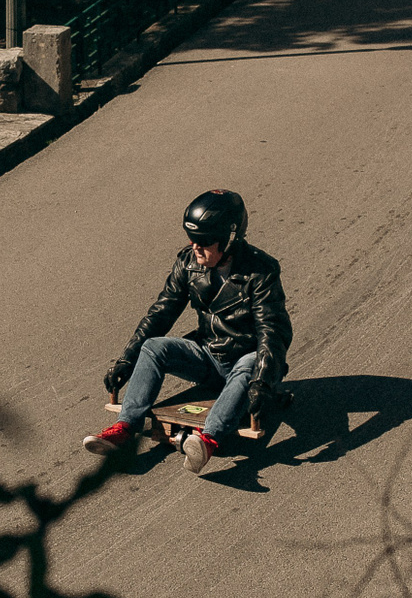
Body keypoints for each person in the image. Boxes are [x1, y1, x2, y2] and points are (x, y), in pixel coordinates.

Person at [84, 189, 292, 473]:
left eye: (204, 241)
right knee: (154, 347)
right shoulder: (188, 263)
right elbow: (161, 313)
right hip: (208, 356)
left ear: (229, 239)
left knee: (250, 363)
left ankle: (208, 440)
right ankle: (124, 428)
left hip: (247, 363)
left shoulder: (261, 271)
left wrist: (263, 381)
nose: (195, 247)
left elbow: (273, 331)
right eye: (192, 238)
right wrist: (126, 360)